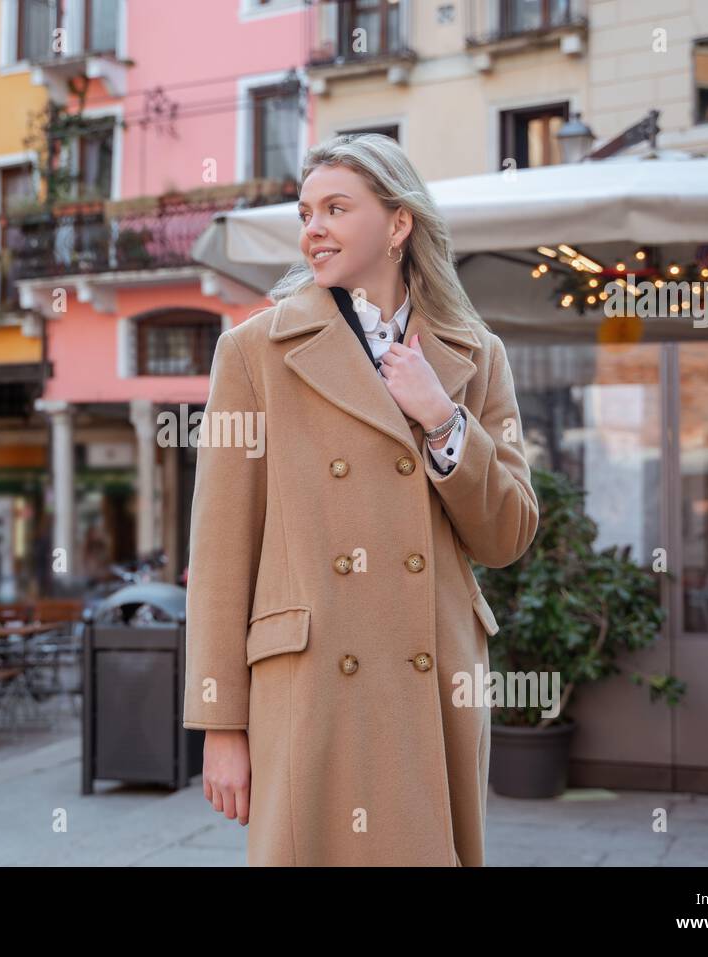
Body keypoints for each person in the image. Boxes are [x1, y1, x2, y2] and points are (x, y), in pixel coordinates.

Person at [182, 134, 539, 867]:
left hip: (432, 676)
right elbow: (220, 553)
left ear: (398, 224)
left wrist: (443, 418)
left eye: (337, 208)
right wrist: (221, 726)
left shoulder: (475, 352)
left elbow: (508, 535)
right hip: (313, 685)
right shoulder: (254, 354)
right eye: (306, 211)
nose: (312, 228)